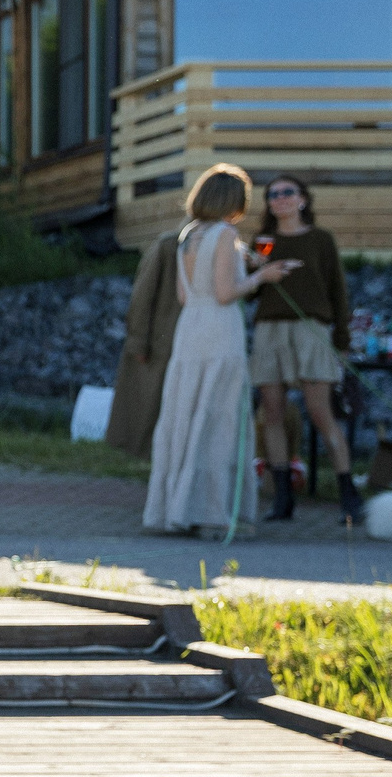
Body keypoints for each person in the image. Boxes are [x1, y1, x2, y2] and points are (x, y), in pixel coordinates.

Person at [144, 165, 299, 535]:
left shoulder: (187, 235)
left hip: (190, 330)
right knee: (218, 418)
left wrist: (245, 265)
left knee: (187, 416)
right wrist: (262, 276)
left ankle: (177, 507)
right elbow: (226, 293)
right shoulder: (225, 233)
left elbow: (185, 295)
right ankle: (211, 512)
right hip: (219, 330)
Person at [248, 175, 360, 524]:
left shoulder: (320, 239)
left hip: (311, 328)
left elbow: (338, 290)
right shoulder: (263, 241)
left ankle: (348, 493)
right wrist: (257, 271)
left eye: (287, 192)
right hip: (270, 329)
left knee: (320, 411)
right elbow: (250, 292)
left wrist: (342, 340)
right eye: (272, 194)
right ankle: (283, 497)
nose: (280, 198)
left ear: (303, 199)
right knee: (272, 412)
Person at [105, 225, 184, 460]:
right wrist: (138, 340)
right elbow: (142, 295)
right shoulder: (169, 245)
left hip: (190, 340)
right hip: (160, 338)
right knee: (147, 403)